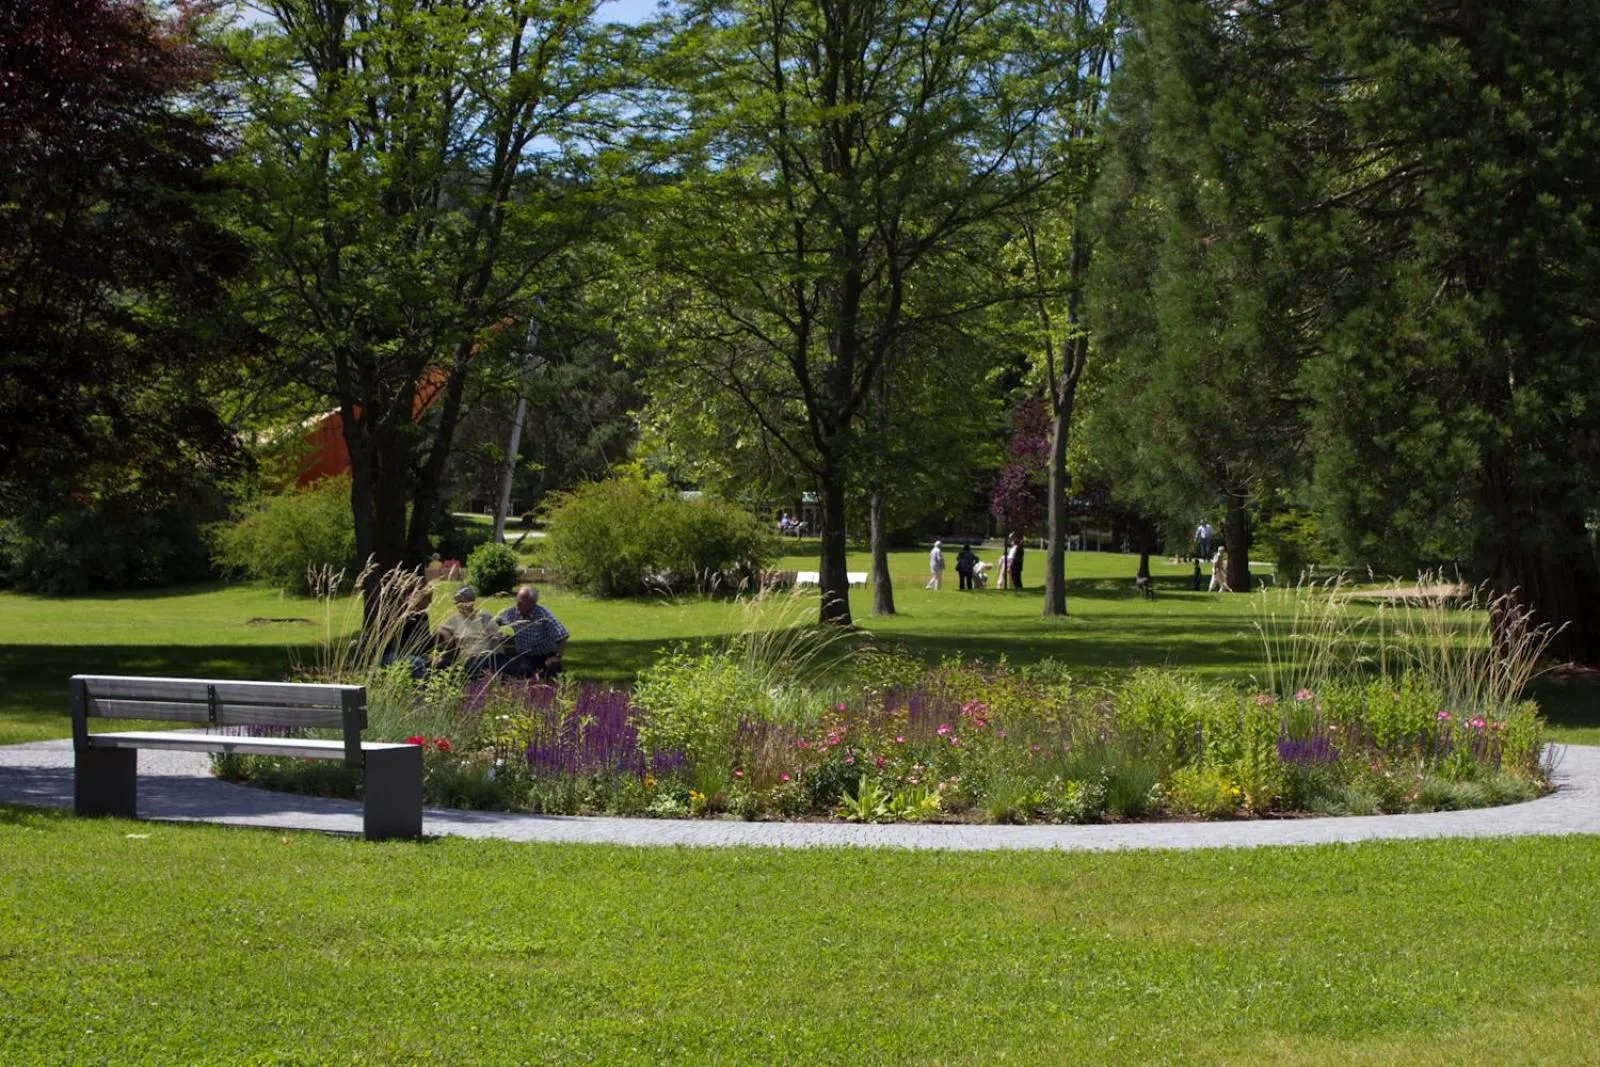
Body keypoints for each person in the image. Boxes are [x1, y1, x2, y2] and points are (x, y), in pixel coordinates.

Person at [494, 584, 569, 681]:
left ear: (532, 603)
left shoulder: (543, 615)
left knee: (552, 675)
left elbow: (562, 635)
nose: (517, 604)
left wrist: (557, 656)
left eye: (521, 602)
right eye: (517, 600)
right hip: (525, 655)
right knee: (524, 675)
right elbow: (496, 622)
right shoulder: (513, 613)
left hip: (546, 654)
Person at [435, 585, 501, 674]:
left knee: (476, 663)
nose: (458, 606)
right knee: (442, 664)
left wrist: (493, 635)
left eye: (461, 602)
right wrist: (445, 632)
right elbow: (438, 628)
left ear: (470, 602)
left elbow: (498, 636)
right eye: (457, 603)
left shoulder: (484, 617)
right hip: (465, 661)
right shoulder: (454, 619)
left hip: (484, 658)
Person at [382, 585, 435, 679]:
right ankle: (418, 691)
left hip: (416, 654)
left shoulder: (423, 616)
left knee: (443, 662)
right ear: (418, 597)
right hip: (395, 654)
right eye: (428, 599)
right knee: (418, 663)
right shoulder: (402, 614)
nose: (431, 602)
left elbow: (426, 641)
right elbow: (398, 643)